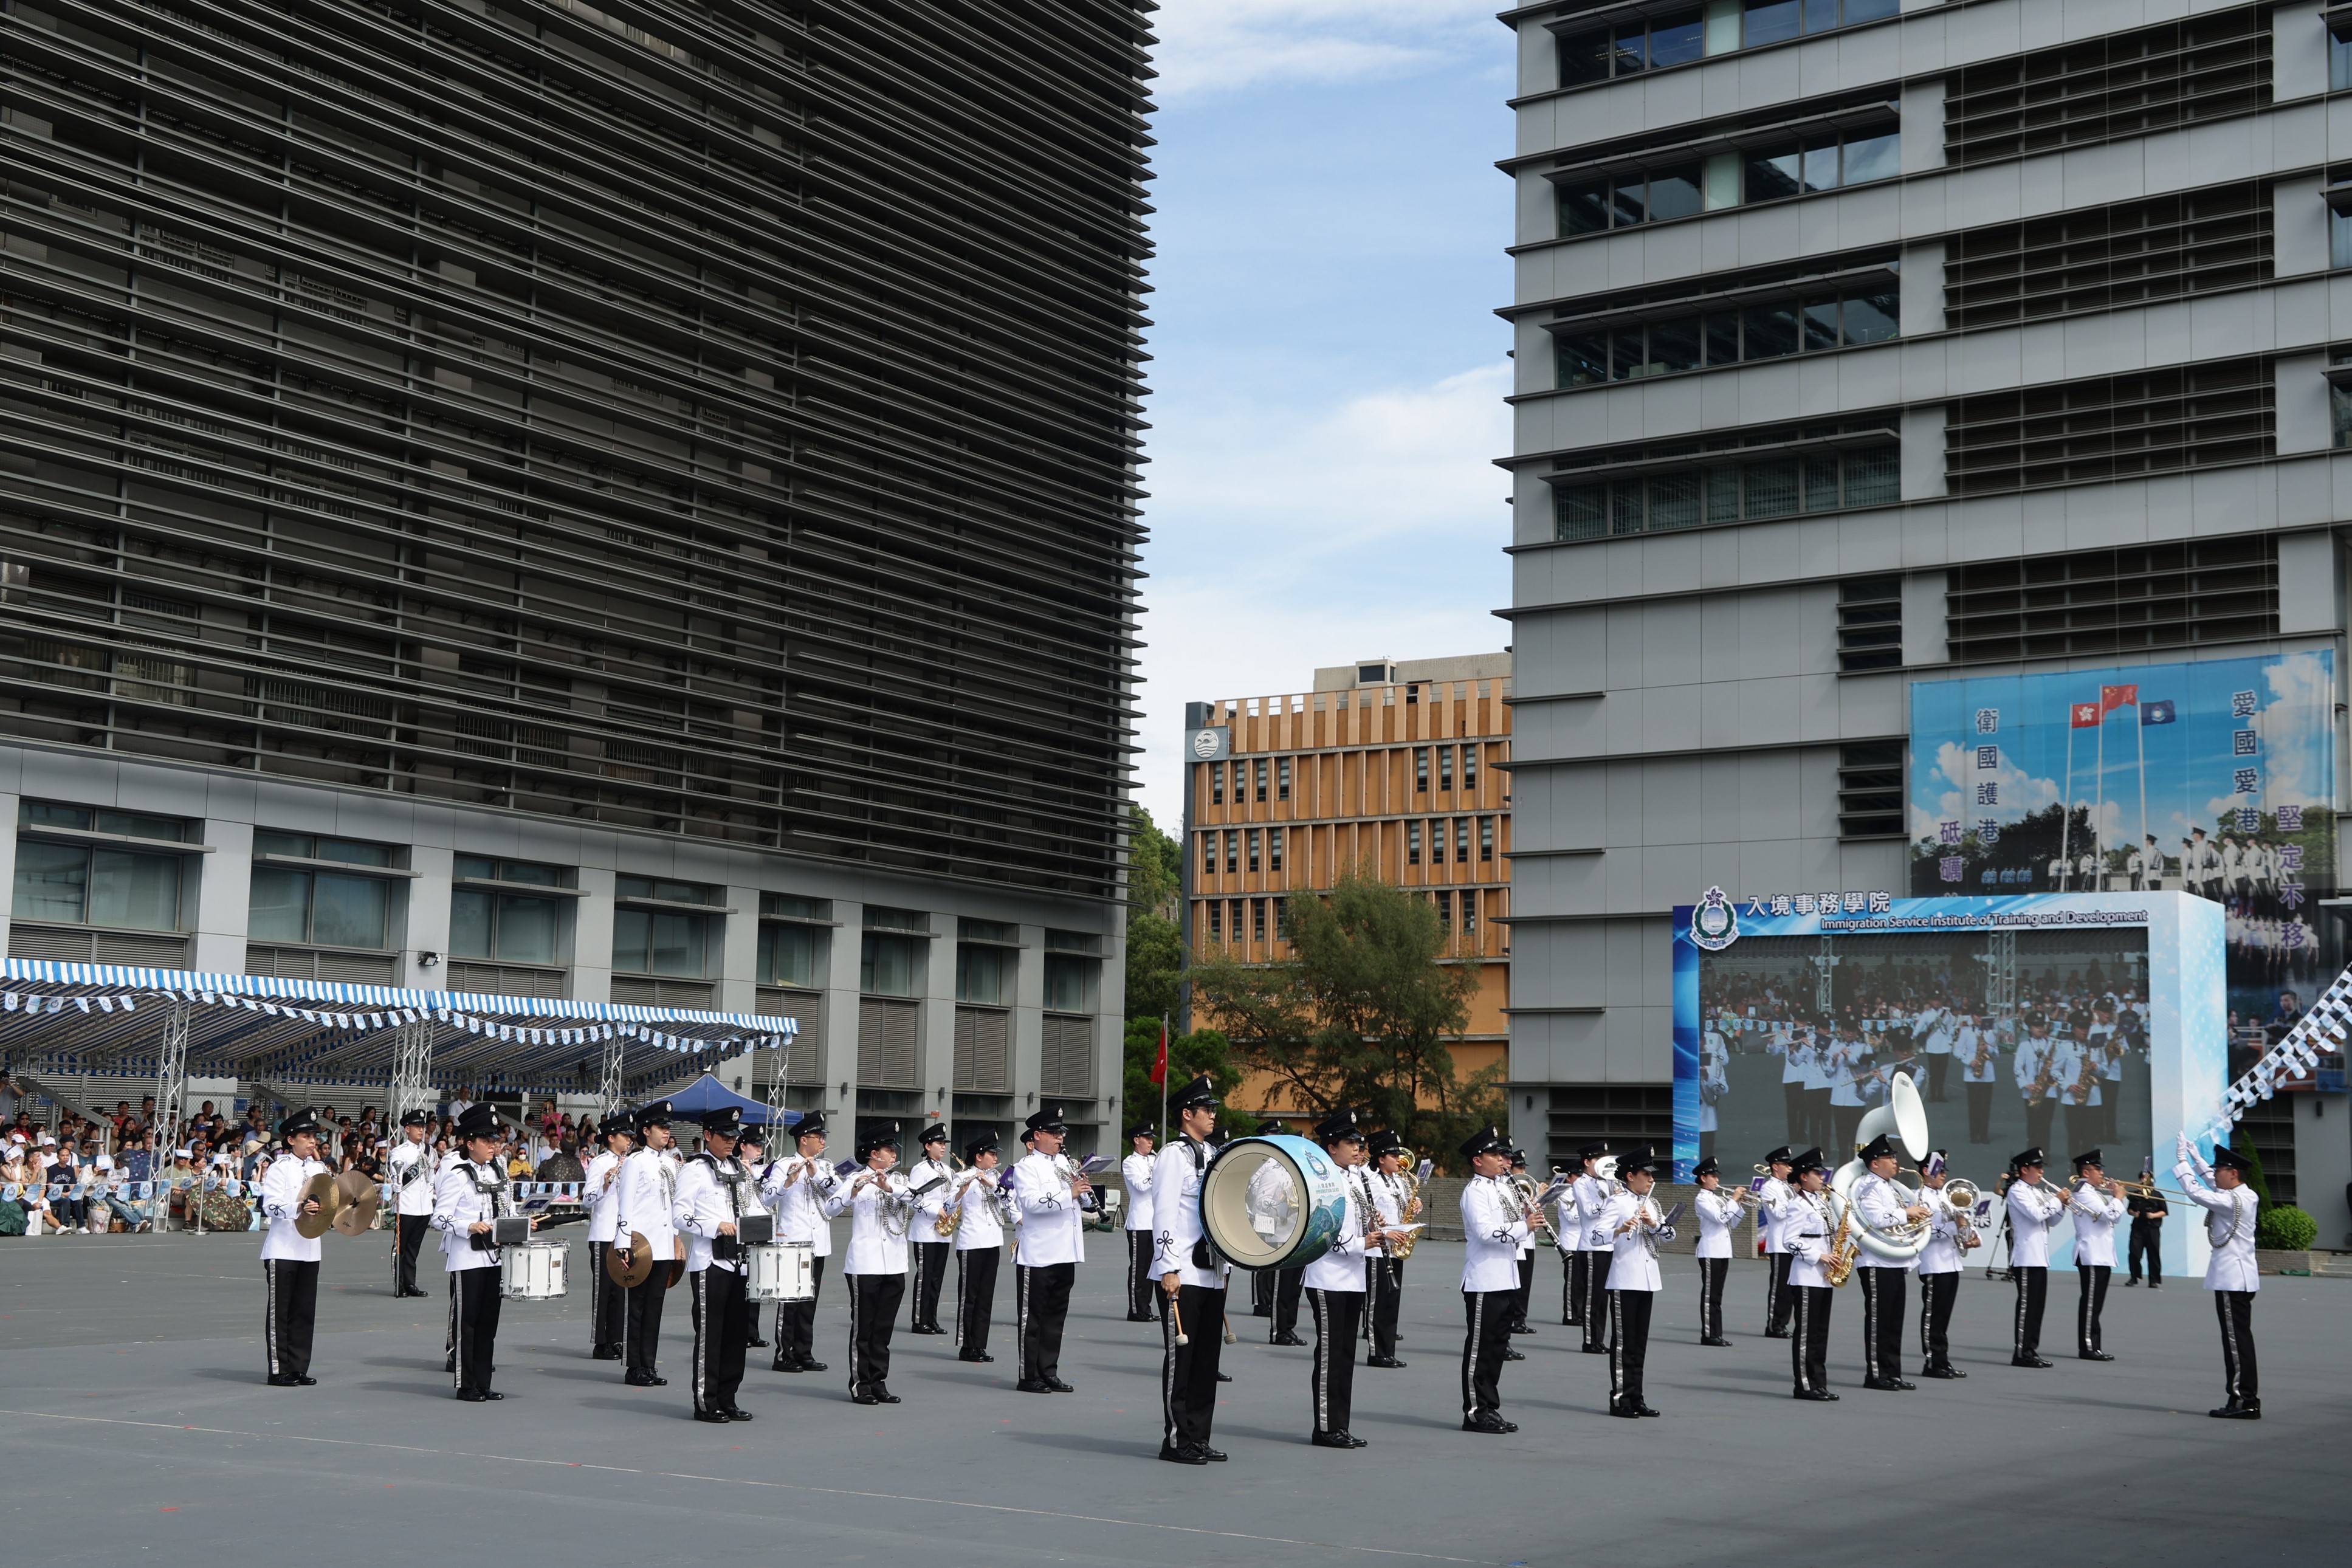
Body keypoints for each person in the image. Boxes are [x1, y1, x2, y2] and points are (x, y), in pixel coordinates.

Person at [1154, 1075, 1231, 1464]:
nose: (1214, 1115)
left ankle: (1199, 1436)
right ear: (1188, 1114)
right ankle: (1176, 1440)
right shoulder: (1173, 1155)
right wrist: (1168, 1268)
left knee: (1206, 1363)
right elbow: (1164, 1212)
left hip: (1212, 1272)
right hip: (1182, 1273)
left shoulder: (1215, 1155)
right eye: (1208, 1110)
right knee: (1181, 1362)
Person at [1301, 1109, 1387, 1448]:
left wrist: (1371, 1225)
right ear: (1331, 1146)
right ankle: (1325, 1427)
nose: (1358, 1148)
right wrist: (1359, 1243)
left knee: (1346, 1354)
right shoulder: (1322, 1178)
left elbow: (1353, 1222)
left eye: (1359, 1142)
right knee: (1330, 1355)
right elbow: (1320, 1227)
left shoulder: (1355, 1178)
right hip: (1327, 1276)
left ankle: (1340, 1424)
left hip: (1353, 1277)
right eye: (1350, 1142)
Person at [435, 1103, 532, 1401]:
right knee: (469, 1322)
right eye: (487, 1141)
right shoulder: (457, 1173)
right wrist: (468, 1226)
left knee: (489, 1321)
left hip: (495, 1255)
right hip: (467, 1256)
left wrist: (525, 1224)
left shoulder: (497, 1171)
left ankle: (483, 1382)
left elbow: (507, 1210)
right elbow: (438, 1217)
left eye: (495, 1140)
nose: (494, 1146)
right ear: (469, 1143)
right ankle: (466, 1384)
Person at [673, 1107, 756, 1423]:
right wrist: (713, 1225)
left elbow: (751, 1203)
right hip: (711, 1262)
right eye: (725, 1136)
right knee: (711, 1334)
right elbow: (679, 1215)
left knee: (737, 1334)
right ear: (708, 1135)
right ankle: (706, 1402)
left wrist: (767, 1224)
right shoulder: (696, 1169)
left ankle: (729, 1397)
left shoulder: (738, 1167)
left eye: (735, 1136)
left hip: (740, 1262)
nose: (732, 1142)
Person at [2173, 1136, 2261, 1418]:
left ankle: (2243, 1400)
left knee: (2236, 1343)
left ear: (2233, 1173)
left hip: (2231, 1278)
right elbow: (2212, 1184)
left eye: (2219, 1169)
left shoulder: (2235, 1200)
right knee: (2238, 1340)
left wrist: (2183, 1163)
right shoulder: (2242, 1195)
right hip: (2238, 1277)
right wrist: (2197, 1158)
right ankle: (2242, 1398)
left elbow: (2199, 1193)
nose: (2215, 1173)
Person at [1008, 1106, 1095, 1392]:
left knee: (1056, 1317)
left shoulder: (1065, 1165)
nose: (1060, 1139)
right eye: (1055, 1133)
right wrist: (1068, 1192)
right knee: (1032, 1318)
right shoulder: (1026, 1167)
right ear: (1038, 1135)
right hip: (1039, 1253)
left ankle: (1049, 1370)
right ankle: (1028, 1375)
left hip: (1065, 1252)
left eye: (1062, 1133)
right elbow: (1032, 1203)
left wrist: (1083, 1194)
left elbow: (1076, 1204)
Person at [841, 1122, 917, 1405]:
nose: (894, 1155)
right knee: (864, 1328)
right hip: (865, 1264)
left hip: (896, 1263)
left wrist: (890, 1188)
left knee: (884, 1328)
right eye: (889, 1150)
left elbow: (917, 1200)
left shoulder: (899, 1181)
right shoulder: (855, 1178)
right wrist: (855, 1190)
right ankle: (861, 1384)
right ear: (874, 1153)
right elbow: (832, 1207)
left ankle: (879, 1381)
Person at [1458, 1124, 1527, 1434]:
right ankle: (1475, 1411)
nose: (1502, 1160)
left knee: (1498, 1348)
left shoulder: (1501, 1188)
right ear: (1477, 1159)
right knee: (1481, 1350)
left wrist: (1526, 1213)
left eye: (1502, 1155)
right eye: (1495, 1154)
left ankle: (1490, 1407)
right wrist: (1525, 1226)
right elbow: (1487, 1234)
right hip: (1484, 1280)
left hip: (1506, 1278)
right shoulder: (1475, 1192)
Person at [761, 1111, 840, 1373]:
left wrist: (816, 1174)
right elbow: (767, 1198)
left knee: (810, 1302)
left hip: (818, 1242)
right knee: (790, 1302)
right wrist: (788, 1181)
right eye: (819, 1137)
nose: (822, 1141)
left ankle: (804, 1351)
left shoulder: (825, 1166)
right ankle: (783, 1354)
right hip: (793, 1240)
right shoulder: (784, 1164)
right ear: (804, 1139)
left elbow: (839, 1194)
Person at [611, 1099, 681, 1388]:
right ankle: (634, 1366)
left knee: (655, 1307)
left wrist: (676, 1238)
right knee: (637, 1307)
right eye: (661, 1127)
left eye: (667, 1128)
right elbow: (624, 1206)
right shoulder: (635, 1163)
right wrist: (622, 1245)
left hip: (663, 1245)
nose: (666, 1133)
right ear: (646, 1130)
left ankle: (648, 1364)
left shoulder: (669, 1163)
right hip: (641, 1245)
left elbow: (674, 1206)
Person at [258, 1107, 330, 1387]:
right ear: (291, 1140)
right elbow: (271, 1205)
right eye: (306, 1136)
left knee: (304, 1311)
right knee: (281, 1313)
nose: (312, 1141)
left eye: (314, 1136)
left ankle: (299, 1366)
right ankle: (279, 1369)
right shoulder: (280, 1168)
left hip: (310, 1247)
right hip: (284, 1248)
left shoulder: (319, 1169)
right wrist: (299, 1207)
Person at [1850, 1132, 1928, 1391]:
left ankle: (1893, 1372)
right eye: (1889, 1157)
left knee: (1895, 1321)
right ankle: (1875, 1374)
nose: (1895, 1161)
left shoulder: (1889, 1187)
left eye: (1894, 1157)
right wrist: (1907, 1213)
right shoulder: (1867, 1186)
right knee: (1879, 1321)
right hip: (1875, 1262)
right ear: (1874, 1163)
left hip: (1894, 1261)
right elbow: (1877, 1219)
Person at [1598, 1144, 1673, 1417]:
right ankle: (1620, 1398)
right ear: (1630, 1176)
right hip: (1624, 1279)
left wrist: (1654, 1224)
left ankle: (1637, 1396)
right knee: (1623, 1343)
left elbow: (1669, 1235)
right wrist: (1618, 1230)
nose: (1651, 1180)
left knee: (1639, 1342)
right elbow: (1596, 1235)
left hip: (1648, 1279)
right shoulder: (1617, 1202)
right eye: (1646, 1174)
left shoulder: (1651, 1203)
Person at [1781, 1147, 1839, 1400]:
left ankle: (1819, 1383)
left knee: (1820, 1333)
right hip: (1806, 1275)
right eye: (1817, 1173)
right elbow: (1789, 1241)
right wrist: (1819, 1255)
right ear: (1804, 1176)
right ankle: (1804, 1385)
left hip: (1823, 1277)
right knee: (1806, 1334)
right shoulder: (1798, 1205)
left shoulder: (1821, 1202)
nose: (1822, 1177)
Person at [1913, 1151, 1973, 1378]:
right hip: (1933, 1263)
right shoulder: (1919, 1196)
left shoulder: (1944, 1196)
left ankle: (1942, 1359)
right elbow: (1926, 1231)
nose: (1944, 1175)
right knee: (1933, 1315)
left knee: (1944, 1315)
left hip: (1951, 1261)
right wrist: (1955, 1227)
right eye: (1940, 1170)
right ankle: (1932, 1361)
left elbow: (1958, 1226)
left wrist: (1967, 1230)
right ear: (1926, 1172)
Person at [2004, 1147, 2064, 1369]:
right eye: (2037, 1168)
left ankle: (2031, 1349)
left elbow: (2051, 1221)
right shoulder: (2017, 1191)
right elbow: (2037, 1214)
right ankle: (2021, 1352)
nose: (2041, 1172)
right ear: (2024, 1169)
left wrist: (2062, 1206)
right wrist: (2057, 1200)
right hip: (2026, 1256)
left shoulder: (2036, 1192)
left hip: (2039, 1257)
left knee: (2038, 1307)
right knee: (2027, 1306)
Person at [950, 1132, 1006, 1361]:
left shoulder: (996, 1178)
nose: (995, 1158)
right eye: (991, 1154)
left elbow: (1009, 1199)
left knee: (986, 1296)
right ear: (978, 1156)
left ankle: (980, 1344)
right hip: (972, 1242)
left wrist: (991, 1185)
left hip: (993, 1241)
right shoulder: (961, 1176)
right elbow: (948, 1205)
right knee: (969, 1296)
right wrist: (963, 1189)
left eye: (995, 1154)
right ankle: (966, 1346)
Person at [583, 1114, 635, 1360]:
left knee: (620, 1289)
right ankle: (600, 1341)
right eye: (625, 1136)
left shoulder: (633, 1163)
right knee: (603, 1290)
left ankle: (616, 1338)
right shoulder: (600, 1163)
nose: (629, 1141)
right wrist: (604, 1185)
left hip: (624, 1234)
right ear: (611, 1138)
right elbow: (586, 1200)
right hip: (604, 1234)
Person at [1363, 1129, 1415, 1368]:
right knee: (1378, 1303)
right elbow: (1366, 1215)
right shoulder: (1369, 1180)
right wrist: (1386, 1233)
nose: (1399, 1160)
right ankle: (1377, 1352)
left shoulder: (1400, 1182)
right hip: (1377, 1248)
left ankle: (1389, 1350)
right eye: (1394, 1155)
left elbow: (1401, 1210)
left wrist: (1415, 1209)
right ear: (1381, 1158)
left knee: (1392, 1302)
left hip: (1397, 1248)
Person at [2067, 1149, 2125, 1361]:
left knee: (2096, 1304)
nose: (2102, 1174)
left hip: (2101, 1254)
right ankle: (2088, 1346)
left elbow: (2111, 1217)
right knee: (2091, 1303)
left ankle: (2094, 1345)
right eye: (2097, 1169)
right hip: (2091, 1254)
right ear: (2086, 1171)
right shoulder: (2083, 1191)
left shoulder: (2093, 1191)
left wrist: (2113, 1196)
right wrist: (2118, 1197)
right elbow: (2109, 1215)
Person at [904, 1123, 955, 1336]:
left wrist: (953, 1207)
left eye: (944, 1144)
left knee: (937, 1277)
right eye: (939, 1143)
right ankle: (919, 1320)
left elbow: (950, 1197)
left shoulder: (948, 1170)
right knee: (925, 1276)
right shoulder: (920, 1169)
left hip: (943, 1232)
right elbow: (912, 1199)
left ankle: (932, 1319)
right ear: (927, 1146)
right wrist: (936, 1210)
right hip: (925, 1229)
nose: (943, 1148)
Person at [384, 1110, 436, 1298]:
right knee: (402, 1247)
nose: (421, 1130)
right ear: (407, 1129)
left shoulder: (429, 1151)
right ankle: (399, 1286)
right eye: (417, 1127)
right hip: (406, 1207)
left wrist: (430, 1197)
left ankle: (410, 1283)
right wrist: (397, 1180)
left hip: (423, 1207)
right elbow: (396, 1173)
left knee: (414, 1249)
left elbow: (431, 1178)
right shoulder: (400, 1151)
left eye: (423, 1127)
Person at [1567, 1141, 1614, 1350]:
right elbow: (1588, 1211)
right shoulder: (1581, 1184)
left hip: (1608, 1245)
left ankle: (1599, 1339)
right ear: (1587, 1162)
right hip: (1591, 1247)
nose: (1602, 1164)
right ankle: (1590, 1341)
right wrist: (1613, 1200)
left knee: (1604, 1297)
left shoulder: (1605, 1183)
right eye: (1597, 1160)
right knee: (1593, 1297)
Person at [1690, 1157, 1741, 1347]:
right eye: (1713, 1176)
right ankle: (1709, 1334)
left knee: (1718, 1296)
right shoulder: (1702, 1199)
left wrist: (1739, 1204)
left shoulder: (1718, 1198)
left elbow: (1732, 1222)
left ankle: (1716, 1333)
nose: (1717, 1180)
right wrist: (1734, 1199)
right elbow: (1720, 1218)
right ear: (1703, 1178)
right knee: (1711, 1296)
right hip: (1710, 1251)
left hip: (1723, 1251)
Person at [1756, 1146, 1796, 1338]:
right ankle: (1774, 1325)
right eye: (1786, 1165)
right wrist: (1796, 1201)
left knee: (1789, 1288)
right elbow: (1779, 1213)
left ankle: (1783, 1323)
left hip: (1791, 1243)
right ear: (1775, 1166)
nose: (1790, 1169)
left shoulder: (1786, 1187)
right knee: (1779, 1287)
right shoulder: (1769, 1188)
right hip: (1779, 1243)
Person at [1120, 1121, 1158, 1321]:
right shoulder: (1130, 1162)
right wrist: (1158, 1172)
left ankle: (1147, 1308)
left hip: (1155, 1222)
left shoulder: (1154, 1159)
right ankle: (1136, 1309)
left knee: (1151, 1270)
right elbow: (1142, 1186)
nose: (1151, 1142)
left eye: (1152, 1139)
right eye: (1147, 1138)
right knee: (1138, 1269)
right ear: (1137, 1140)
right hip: (1140, 1222)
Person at [2013, 1013, 2059, 1156]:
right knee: (2033, 1124)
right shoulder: (2024, 1046)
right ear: (2030, 1028)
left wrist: (2053, 1066)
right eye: (2036, 1026)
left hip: (2049, 1091)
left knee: (2046, 1124)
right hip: (2031, 1092)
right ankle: (2032, 1153)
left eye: (2041, 1026)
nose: (2040, 1029)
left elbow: (2060, 1067)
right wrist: (2026, 1084)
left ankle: (2045, 1153)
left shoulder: (2052, 1045)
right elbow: (2017, 1068)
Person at [1505, 1149, 1536, 1343]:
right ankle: (1513, 1321)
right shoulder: (1506, 1188)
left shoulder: (1525, 1186)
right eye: (1520, 1167)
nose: (1523, 1171)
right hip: (1513, 1241)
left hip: (1528, 1239)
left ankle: (1520, 1318)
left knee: (1524, 1284)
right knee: (1512, 1287)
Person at [1959, 1014, 2000, 1144]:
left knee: (1985, 1107)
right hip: (1972, 1075)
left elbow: (1996, 1054)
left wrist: (1989, 1048)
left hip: (1987, 1075)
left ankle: (1984, 1135)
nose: (1980, 1018)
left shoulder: (1991, 1033)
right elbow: (1957, 1051)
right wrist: (1969, 1061)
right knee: (1974, 1107)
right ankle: (1974, 1135)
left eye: (1982, 1015)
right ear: (1973, 1016)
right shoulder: (1966, 1032)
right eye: (1977, 1015)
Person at [2125, 1175, 2170, 1287]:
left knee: (2153, 1255)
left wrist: (2153, 1215)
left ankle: (2153, 1280)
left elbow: (2165, 1211)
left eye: (2147, 1179)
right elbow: (2129, 1209)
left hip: (2152, 1229)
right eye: (2142, 1178)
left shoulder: (2158, 1195)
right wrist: (2134, 1213)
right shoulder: (2135, 1194)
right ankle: (2134, 1277)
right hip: (2138, 1228)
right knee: (2134, 1253)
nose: (2144, 1181)